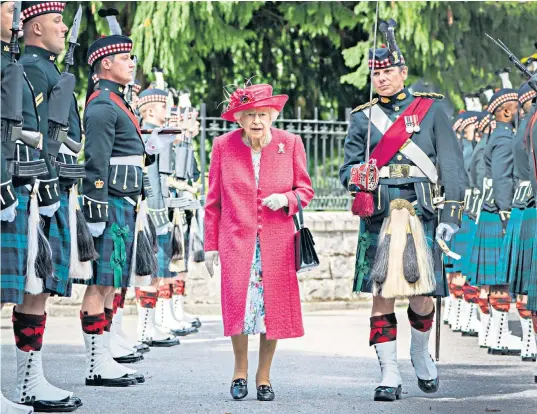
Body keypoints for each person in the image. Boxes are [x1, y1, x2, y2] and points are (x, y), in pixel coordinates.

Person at [339, 20, 466, 402]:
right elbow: (346, 170)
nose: (381, 79)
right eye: (375, 73)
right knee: (381, 293)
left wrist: (451, 218)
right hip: (378, 214)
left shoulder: (431, 110)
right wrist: (357, 176)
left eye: (387, 71)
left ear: (403, 72)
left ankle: (418, 352)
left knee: (422, 292)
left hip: (422, 210)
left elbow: (453, 167)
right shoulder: (363, 117)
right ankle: (389, 371)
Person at [204, 82, 314, 401]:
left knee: (271, 310)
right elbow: (213, 203)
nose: (256, 121)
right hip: (236, 241)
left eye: (262, 114)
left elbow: (305, 190)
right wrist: (210, 246)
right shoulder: (223, 146)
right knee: (239, 307)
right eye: (249, 114)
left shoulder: (290, 143)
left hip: (277, 244)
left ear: (273, 115)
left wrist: (286, 198)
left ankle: (263, 376)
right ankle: (240, 370)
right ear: (238, 119)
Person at [12, 1, 87, 410]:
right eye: (56, 21)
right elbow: (22, 125)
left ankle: (31, 381)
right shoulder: (29, 68)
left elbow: (69, 135)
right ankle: (27, 383)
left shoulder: (51, 70)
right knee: (27, 288)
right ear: (35, 28)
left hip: (49, 183)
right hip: (31, 181)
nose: (62, 28)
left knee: (37, 290)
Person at [78, 31, 149, 387]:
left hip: (125, 201)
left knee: (111, 284)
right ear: (106, 64)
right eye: (125, 58)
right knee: (99, 283)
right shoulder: (103, 104)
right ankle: (95, 364)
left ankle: (104, 356)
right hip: (109, 202)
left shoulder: (119, 102)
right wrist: (95, 209)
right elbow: (96, 162)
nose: (132, 63)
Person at [136, 86, 194, 345]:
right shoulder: (150, 133)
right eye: (162, 106)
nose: (167, 112)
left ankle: (160, 320)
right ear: (149, 109)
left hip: (166, 205)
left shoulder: (159, 134)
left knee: (166, 268)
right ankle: (149, 326)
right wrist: (159, 212)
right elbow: (152, 177)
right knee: (155, 270)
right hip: (155, 209)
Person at [466, 88, 522, 356]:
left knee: (496, 281)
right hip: (499, 211)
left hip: (490, 211)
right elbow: (502, 179)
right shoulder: (504, 139)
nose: (521, 112)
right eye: (517, 107)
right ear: (506, 111)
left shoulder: (497, 137)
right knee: (500, 281)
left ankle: (493, 335)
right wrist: (506, 211)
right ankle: (498, 337)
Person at [501, 82, 537, 362]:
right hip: (530, 205)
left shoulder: (522, 128)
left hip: (524, 206)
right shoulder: (530, 126)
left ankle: (529, 345)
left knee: (528, 288)